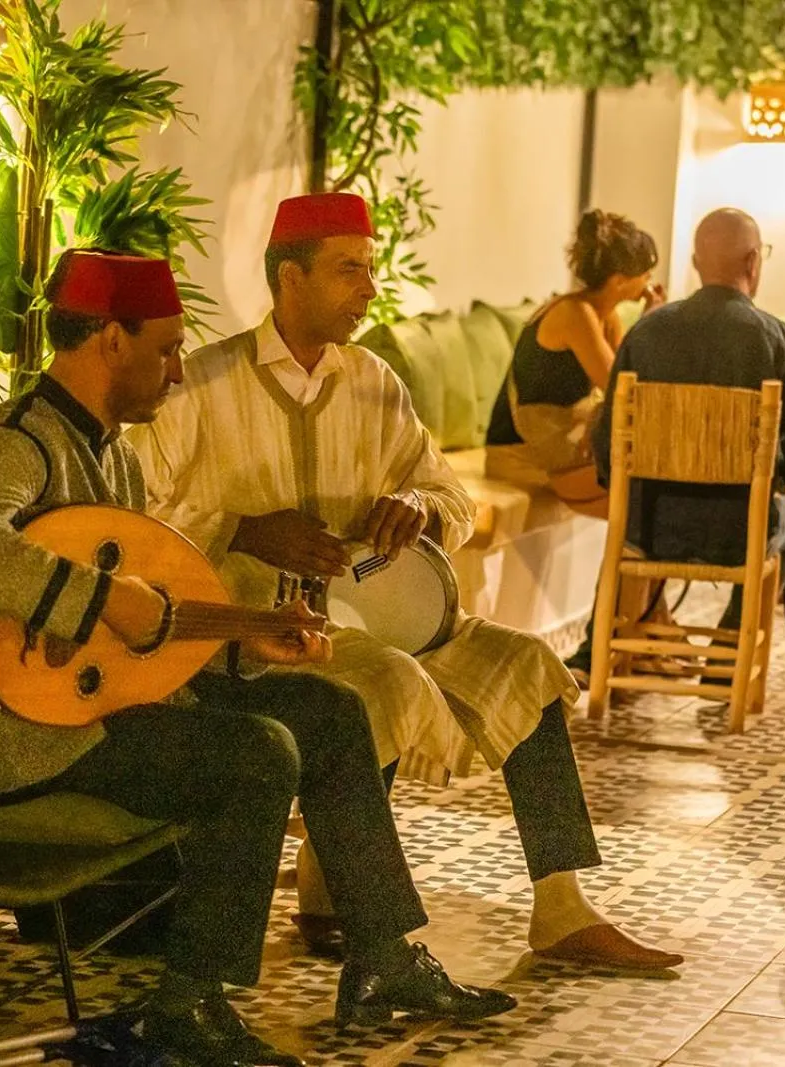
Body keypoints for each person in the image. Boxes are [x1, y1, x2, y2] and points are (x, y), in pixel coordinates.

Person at [0, 250, 515, 1067]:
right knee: (254, 753)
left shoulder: (112, 451)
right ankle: (186, 1003)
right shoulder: (18, 442)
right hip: (19, 728)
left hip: (98, 701)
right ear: (108, 341)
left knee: (328, 712)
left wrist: (239, 629)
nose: (178, 370)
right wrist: (97, 596)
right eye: (164, 348)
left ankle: (384, 956)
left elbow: (142, 620)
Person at [129, 193, 683, 974]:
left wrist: (416, 508)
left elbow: (449, 497)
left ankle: (563, 907)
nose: (370, 286)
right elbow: (136, 513)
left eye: (370, 267)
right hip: (257, 633)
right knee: (379, 677)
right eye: (349, 269)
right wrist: (244, 528)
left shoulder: (375, 382)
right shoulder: (203, 384)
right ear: (291, 278)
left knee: (526, 664)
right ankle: (335, 895)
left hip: (383, 616)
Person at [590, 208, 785, 633]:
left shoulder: (645, 334)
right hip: (739, 532)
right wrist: (781, 480)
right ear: (754, 262)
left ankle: (602, 652)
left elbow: (608, 438)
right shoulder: (777, 340)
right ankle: (728, 653)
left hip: (647, 527)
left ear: (697, 264)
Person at [484, 209, 664, 681]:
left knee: (645, 509)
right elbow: (621, 386)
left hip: (557, 447)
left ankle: (635, 636)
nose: (650, 281)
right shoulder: (574, 314)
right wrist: (651, 323)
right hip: (519, 455)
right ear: (623, 279)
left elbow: (627, 383)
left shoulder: (601, 316)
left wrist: (643, 323)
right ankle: (610, 643)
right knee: (638, 508)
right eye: (647, 273)